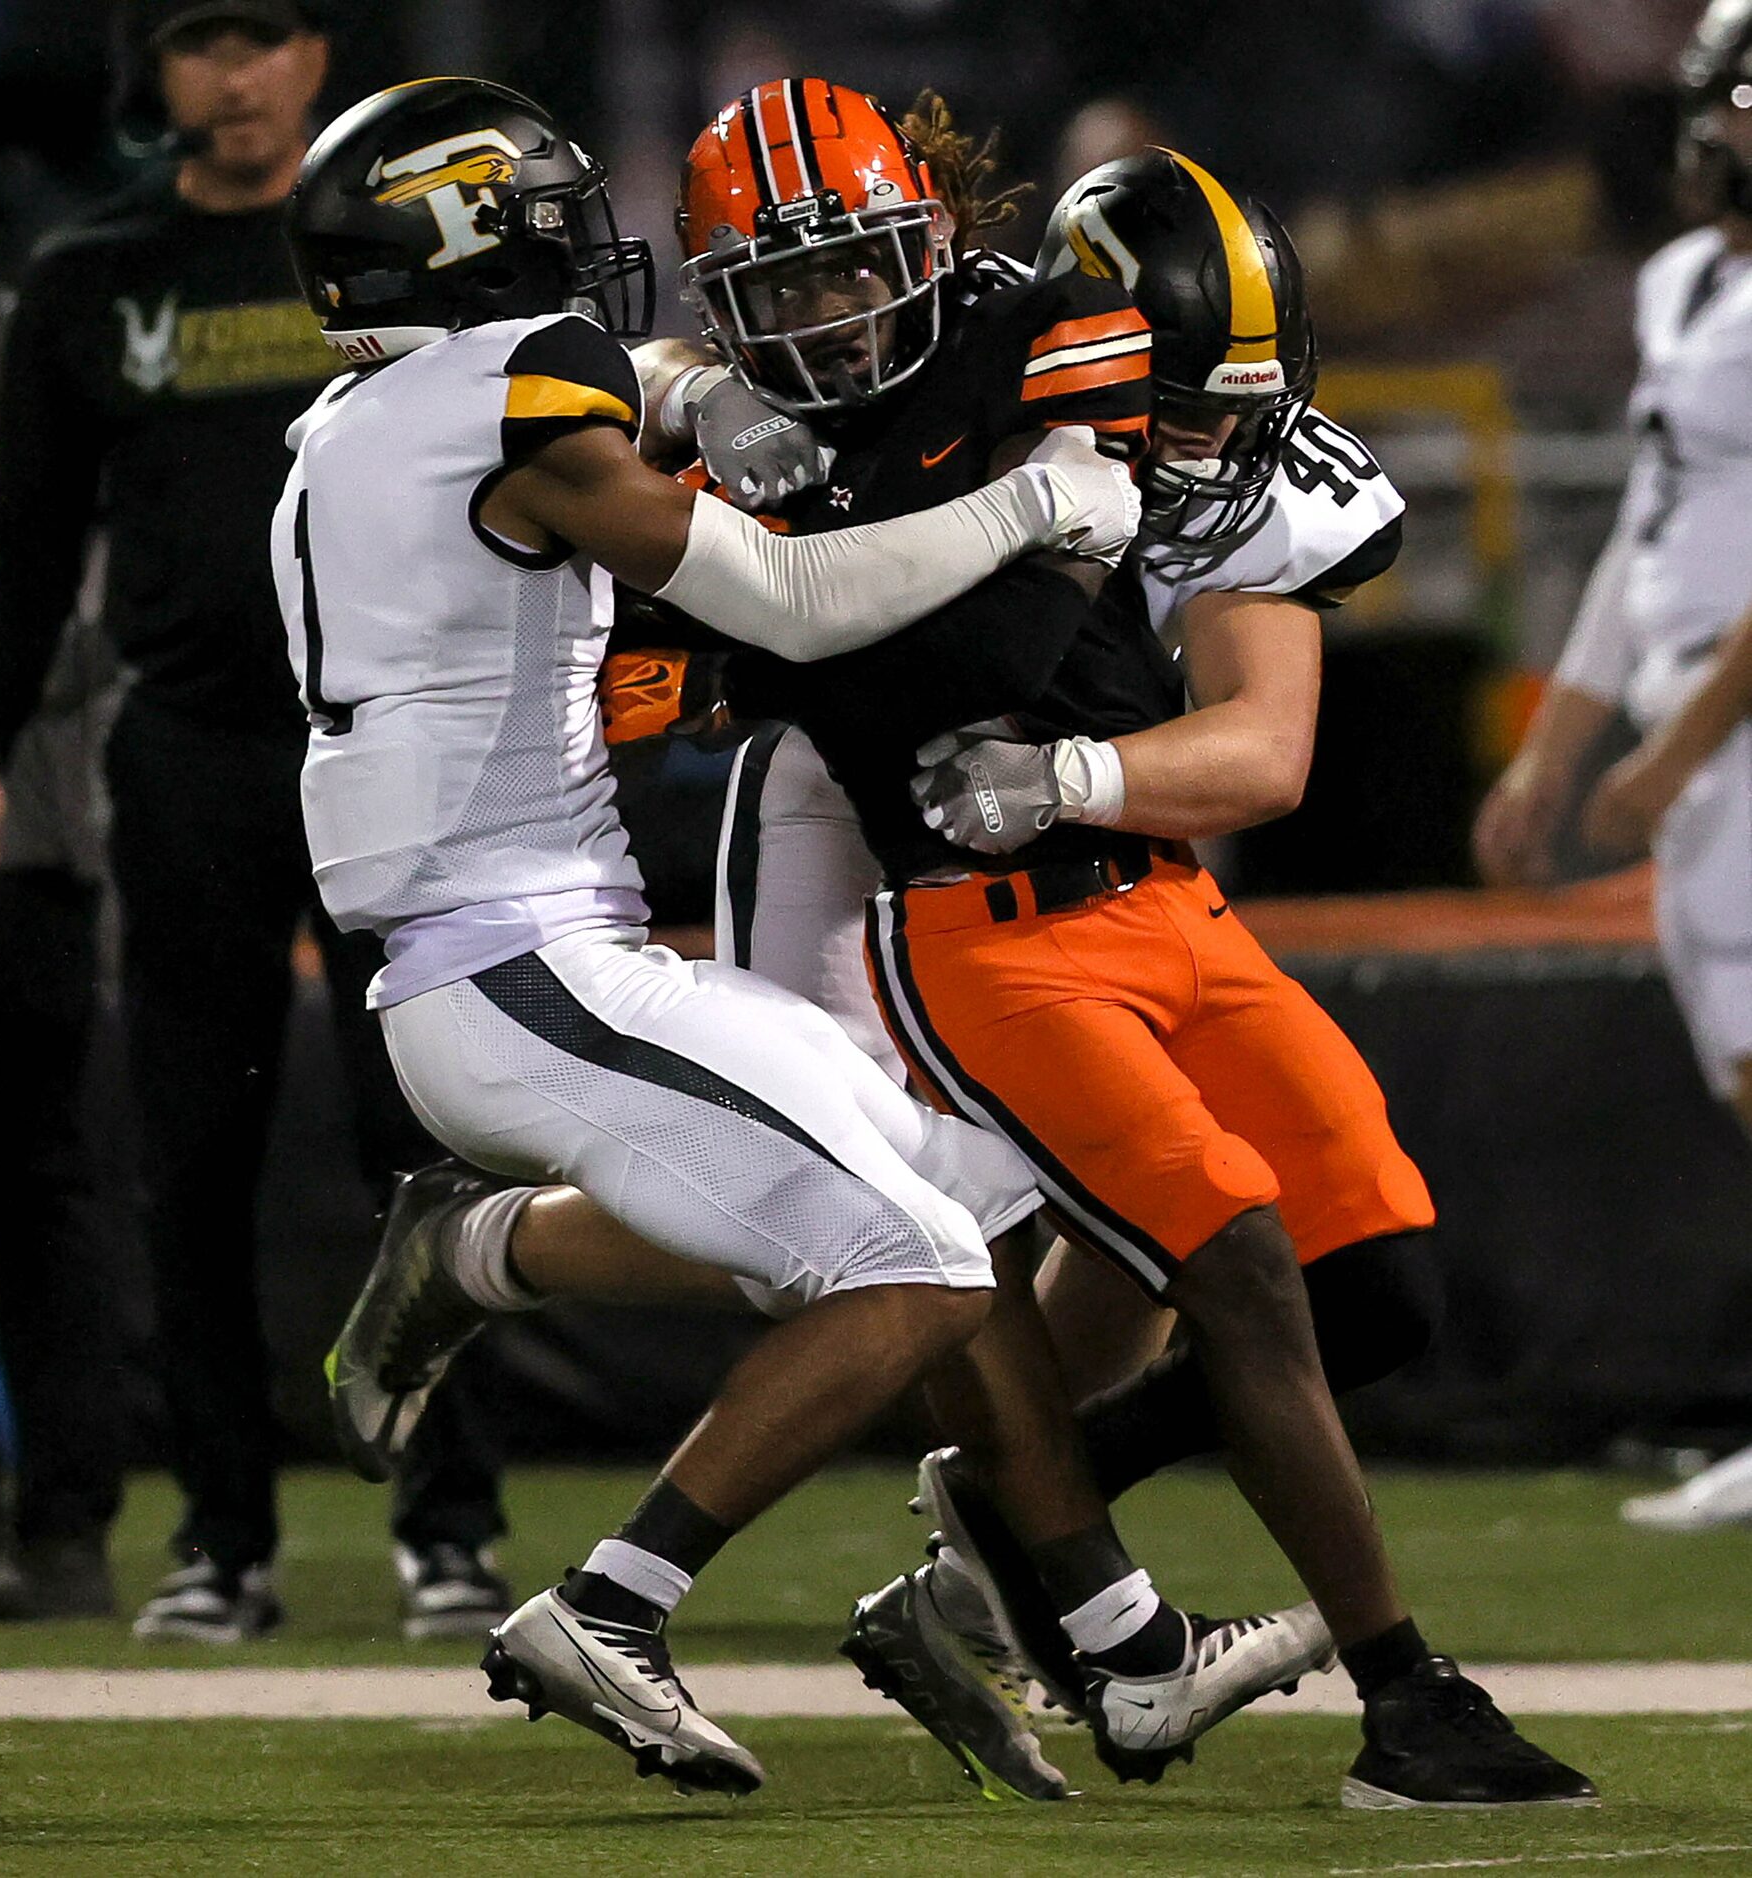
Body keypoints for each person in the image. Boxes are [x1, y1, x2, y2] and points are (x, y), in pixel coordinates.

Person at [286, 74, 1329, 1798]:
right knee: (908, 1259)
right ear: (477, 241)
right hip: (514, 957)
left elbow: (605, 410)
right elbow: (779, 596)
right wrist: (1035, 506)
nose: (590, 264)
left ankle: (1129, 1651)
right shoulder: (524, 387)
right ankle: (612, 1601)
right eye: (550, 225)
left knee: (975, 1213)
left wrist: (690, 387)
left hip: (529, 945)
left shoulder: (351, 427)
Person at [644, 129, 1593, 1810]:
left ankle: (1011, 1535)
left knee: (1340, 1278)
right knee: (868, 1215)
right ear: (1085, 352)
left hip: (1129, 859)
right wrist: (686, 384)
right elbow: (759, 375)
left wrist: (1072, 777)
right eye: (1187, 403)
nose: (1220, 444)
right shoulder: (980, 369)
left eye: (1249, 403)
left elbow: (1265, 754)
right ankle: (1109, 1596)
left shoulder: (1239, 474)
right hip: (874, 831)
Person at [0, 0, 512, 1643]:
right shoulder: (92, 278)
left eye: (264, 34)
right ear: (160, 74)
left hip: (395, 739)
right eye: (202, 41)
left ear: (315, 58)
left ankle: (453, 1530)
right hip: (191, 756)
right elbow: (24, 543)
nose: (237, 75)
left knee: (430, 1141)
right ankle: (224, 1542)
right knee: (187, 1159)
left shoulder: (398, 250)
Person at [1473, 0, 1752, 1531]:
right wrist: (1558, 756)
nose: (1720, 132)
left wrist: (1686, 738)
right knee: (1736, 1059)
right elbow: (1644, 541)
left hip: (1738, 719)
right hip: (1691, 712)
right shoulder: (1683, 283)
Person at [0, 259, 127, 1622]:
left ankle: (65, 1525)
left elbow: (89, 614)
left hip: (13, 838)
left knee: (36, 1186)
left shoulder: (29, 339)